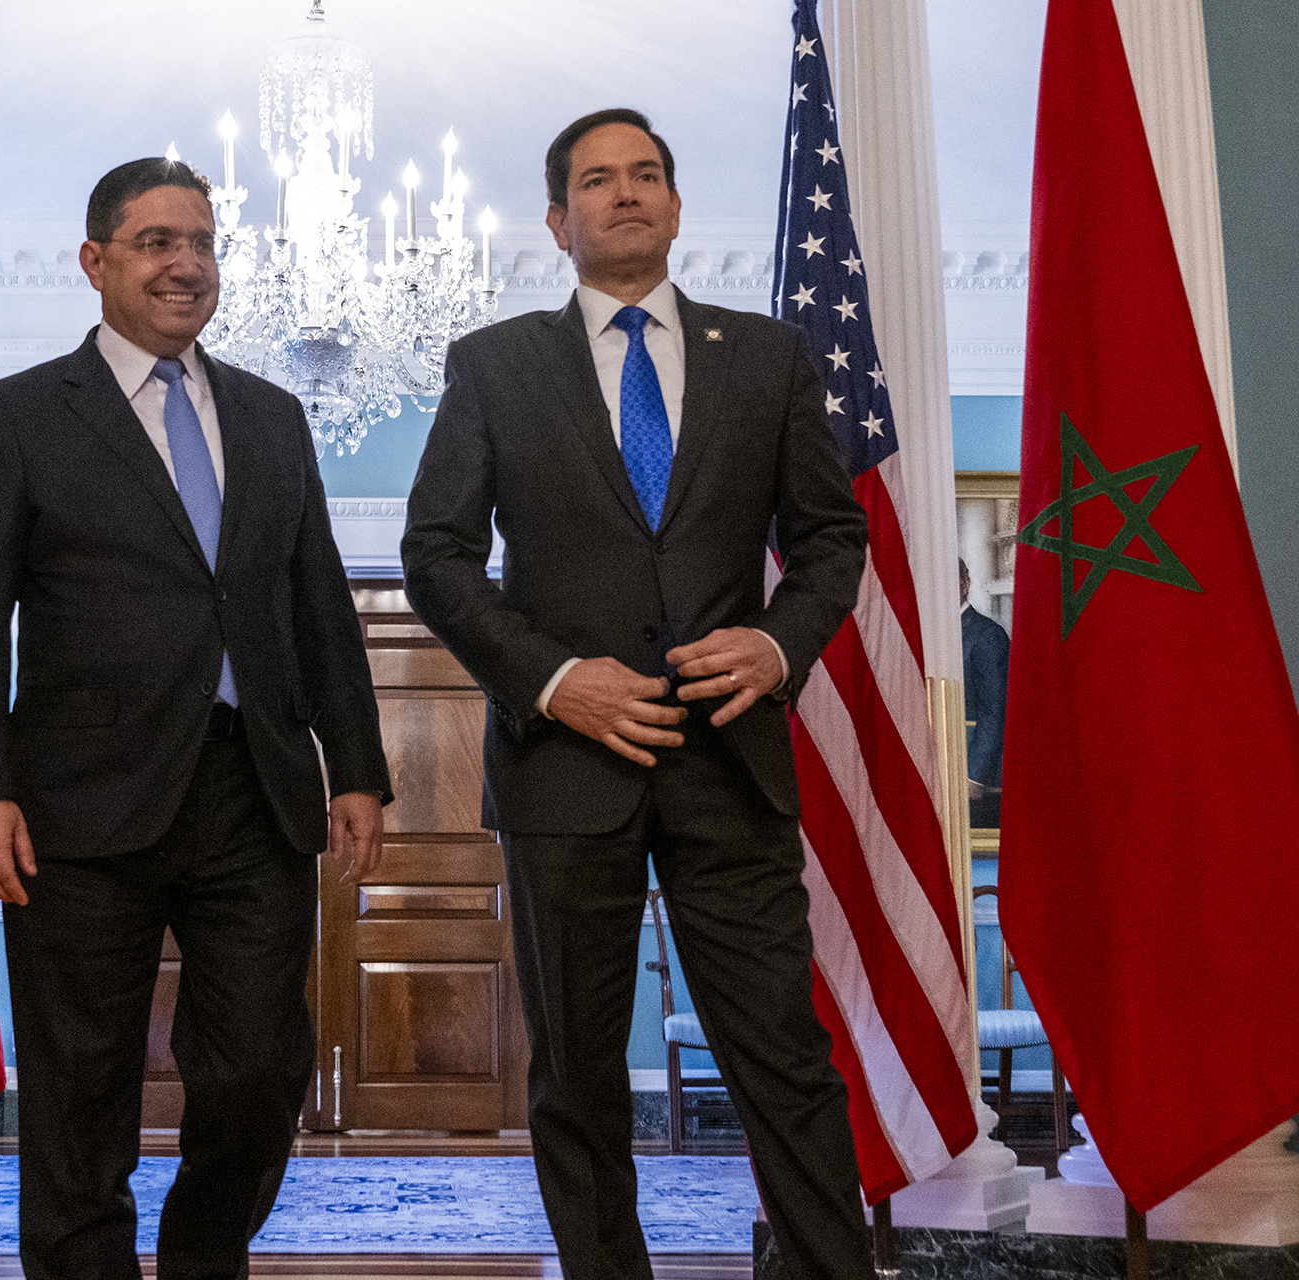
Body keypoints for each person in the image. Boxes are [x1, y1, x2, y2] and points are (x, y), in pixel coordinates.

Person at [401, 109, 871, 1280]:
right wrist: (554, 680)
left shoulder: (767, 356)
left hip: (732, 759)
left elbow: (830, 539)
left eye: (647, 174)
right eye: (598, 180)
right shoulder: (495, 364)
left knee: (785, 1054)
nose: (626, 193)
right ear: (558, 222)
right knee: (577, 1072)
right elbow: (437, 556)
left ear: (673, 203)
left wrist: (774, 648)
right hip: (568, 774)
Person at [0, 157, 391, 1280]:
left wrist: (360, 768)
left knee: (258, 1069)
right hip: (75, 807)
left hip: (256, 790)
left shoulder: (275, 419)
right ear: (95, 262)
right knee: (80, 1082)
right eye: (155, 242)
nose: (186, 264)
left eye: (201, 241)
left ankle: (198, 1254)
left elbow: (320, 606)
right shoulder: (22, 415)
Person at [960, 559, 1009, 828]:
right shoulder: (926, 632)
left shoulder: (987, 636)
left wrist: (974, 775)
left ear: (965, 584)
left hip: (973, 780)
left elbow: (995, 711)